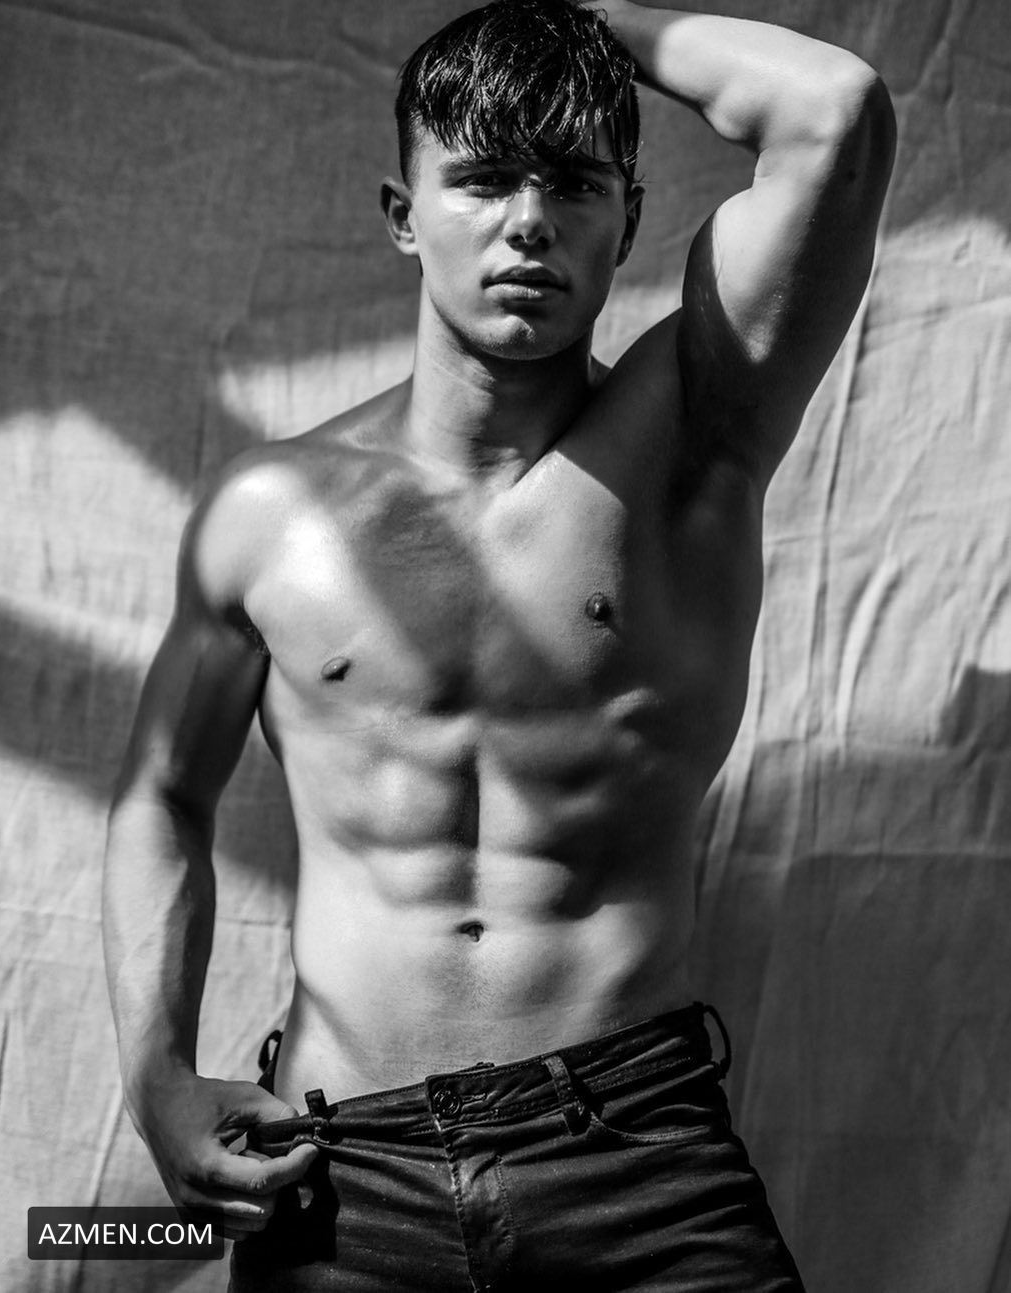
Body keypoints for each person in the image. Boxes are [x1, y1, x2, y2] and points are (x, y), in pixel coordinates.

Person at [103, 1, 895, 1287]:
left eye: (573, 184)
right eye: (479, 180)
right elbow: (161, 796)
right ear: (401, 214)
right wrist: (155, 1077)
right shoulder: (268, 516)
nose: (527, 222)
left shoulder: (690, 441)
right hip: (337, 1169)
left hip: (634, 1167)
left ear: (628, 222)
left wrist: (578, 16)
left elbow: (831, 111)